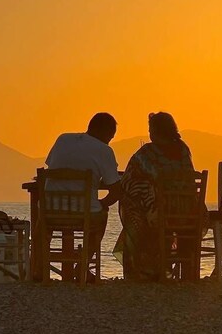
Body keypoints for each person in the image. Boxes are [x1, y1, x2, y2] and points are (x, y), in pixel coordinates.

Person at [114, 112, 207, 281]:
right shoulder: (183, 149)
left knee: (136, 211)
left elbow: (128, 178)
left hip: (160, 213)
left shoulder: (148, 152)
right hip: (188, 212)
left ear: (156, 131)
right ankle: (173, 268)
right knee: (148, 206)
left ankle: (144, 270)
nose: (149, 134)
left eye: (151, 129)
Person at [44, 112, 121, 279]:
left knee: (41, 224)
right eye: (111, 136)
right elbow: (116, 190)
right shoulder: (104, 150)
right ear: (106, 133)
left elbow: (51, 165)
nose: (110, 140)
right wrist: (102, 204)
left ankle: (37, 267)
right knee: (102, 217)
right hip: (83, 214)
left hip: (50, 211)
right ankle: (81, 268)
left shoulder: (62, 139)